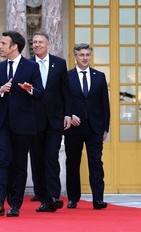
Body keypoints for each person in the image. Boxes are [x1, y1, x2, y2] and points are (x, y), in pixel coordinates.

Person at [0, 31, 44, 217]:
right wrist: (0, 90)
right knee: (1, 160)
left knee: (18, 164)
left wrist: (30, 89)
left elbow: (40, 93)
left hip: (23, 124)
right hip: (1, 123)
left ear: (14, 46)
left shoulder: (31, 67)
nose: (0, 46)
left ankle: (15, 204)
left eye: (3, 43)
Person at [29, 31, 72, 212]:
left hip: (55, 119)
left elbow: (66, 92)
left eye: (40, 42)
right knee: (38, 159)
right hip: (34, 119)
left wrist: (68, 114)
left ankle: (54, 196)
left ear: (48, 44)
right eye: (34, 42)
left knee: (51, 156)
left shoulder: (59, 63)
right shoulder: (27, 64)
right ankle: (43, 196)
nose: (37, 45)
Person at [65, 43, 110, 210]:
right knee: (73, 163)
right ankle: (73, 198)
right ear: (75, 57)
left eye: (87, 55)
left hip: (95, 127)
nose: (85, 58)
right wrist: (68, 115)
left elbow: (104, 103)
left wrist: (105, 127)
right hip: (74, 127)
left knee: (96, 163)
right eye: (81, 55)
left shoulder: (99, 76)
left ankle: (98, 199)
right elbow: (64, 100)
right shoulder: (67, 76)